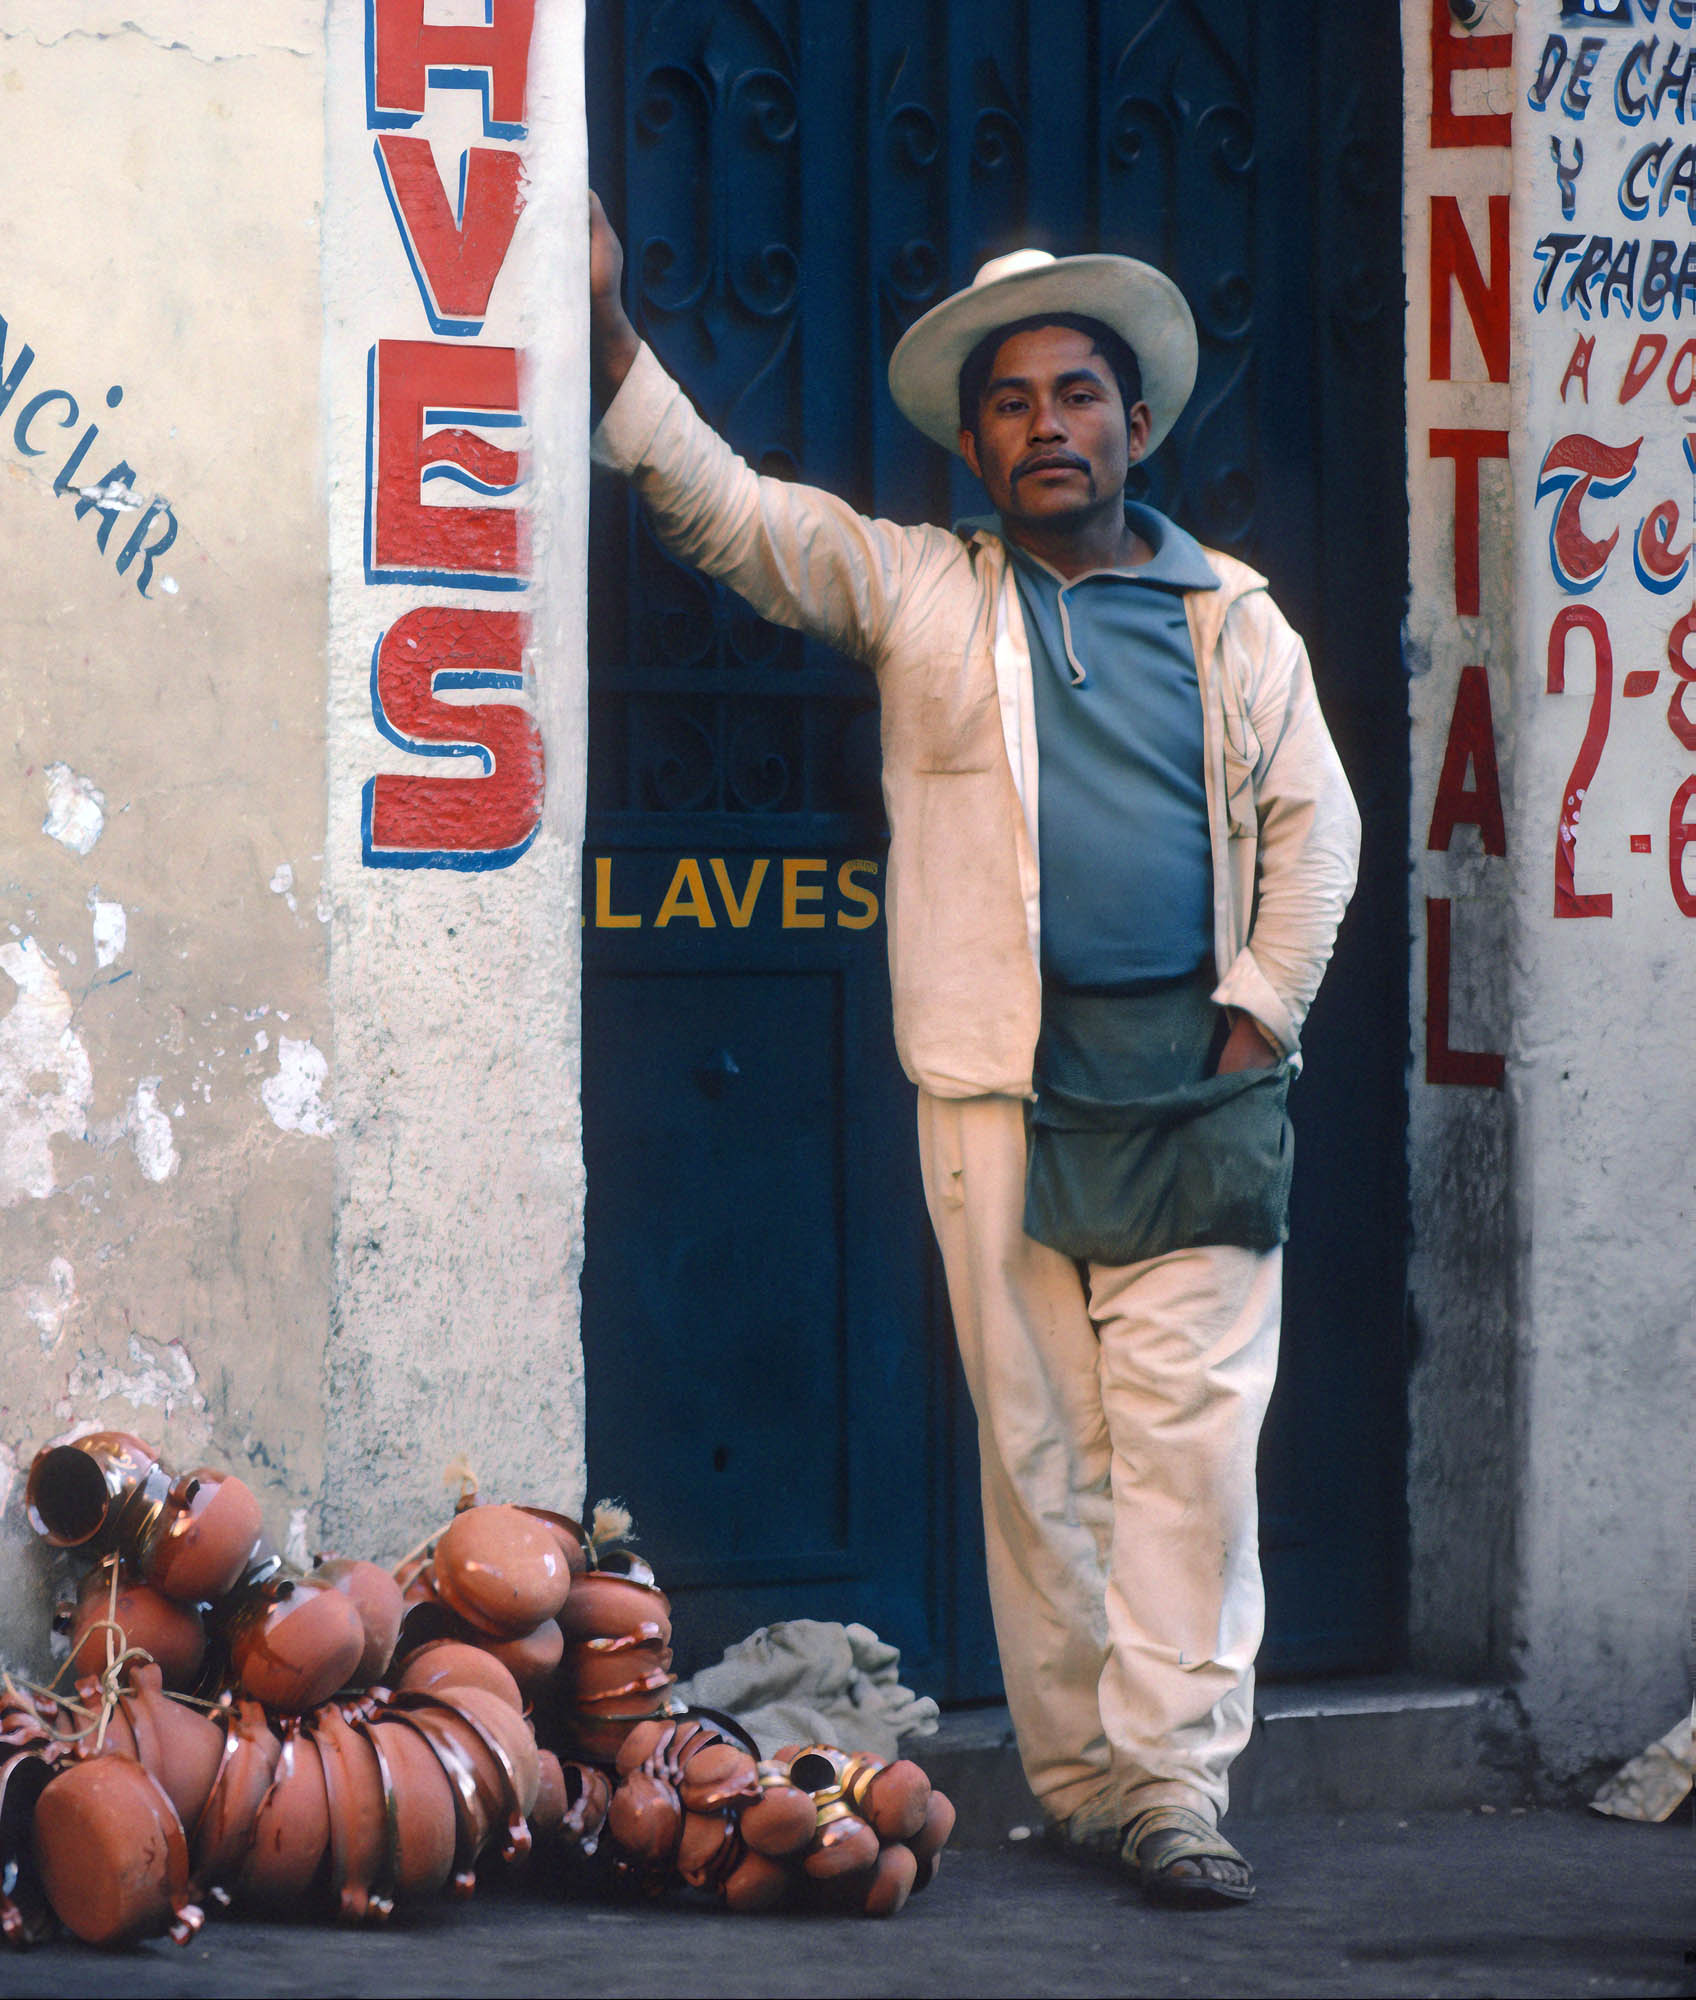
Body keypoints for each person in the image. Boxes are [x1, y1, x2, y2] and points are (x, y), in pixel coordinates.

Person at [586, 194, 1358, 1906]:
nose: (1047, 427)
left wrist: (1256, 1010)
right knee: (1040, 1446)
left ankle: (1175, 1785)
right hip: (1002, 1080)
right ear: (978, 438)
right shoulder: (929, 595)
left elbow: (1319, 828)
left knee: (1188, 1451)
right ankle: (1085, 1777)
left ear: (1135, 421)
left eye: (1076, 395)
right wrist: (613, 333)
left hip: (1198, 1078)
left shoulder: (1237, 619)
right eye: (1011, 404)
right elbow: (739, 520)